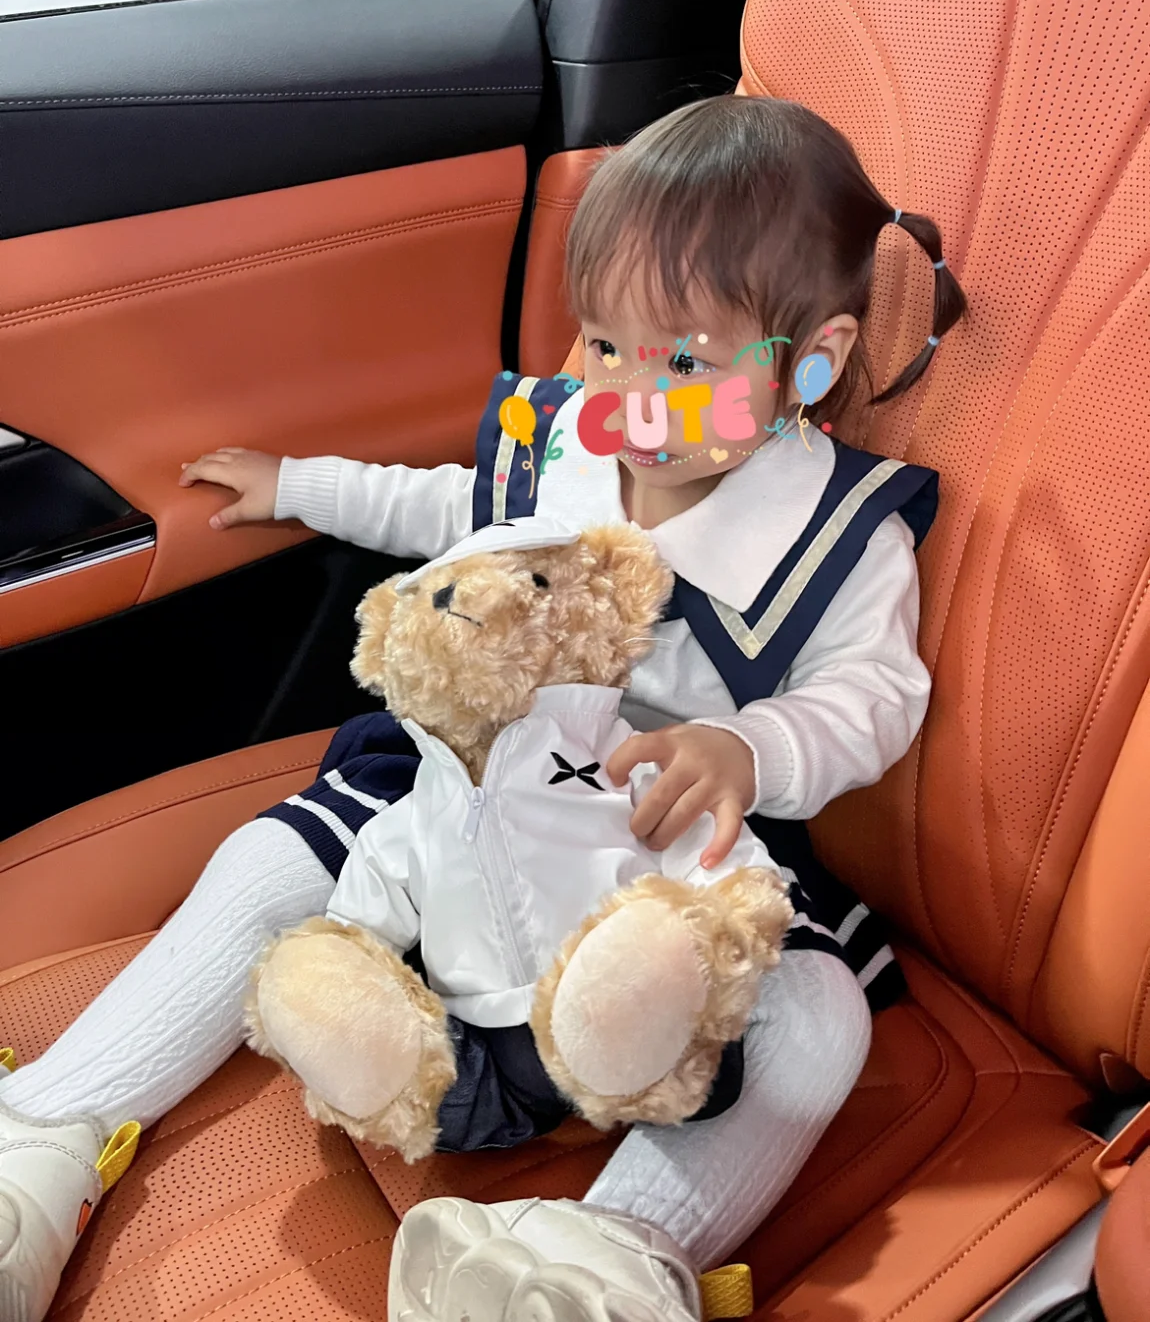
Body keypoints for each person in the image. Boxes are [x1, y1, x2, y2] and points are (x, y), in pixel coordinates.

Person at [0, 95, 966, 1322]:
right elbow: (453, 512)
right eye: (604, 343)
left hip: (673, 839)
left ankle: (608, 1253)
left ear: (811, 363)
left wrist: (748, 745)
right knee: (270, 862)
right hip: (475, 785)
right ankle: (44, 1136)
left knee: (821, 1020)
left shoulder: (840, 535)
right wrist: (302, 485)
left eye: (683, 364)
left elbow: (875, 696)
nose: (628, 395)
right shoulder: (577, 439)